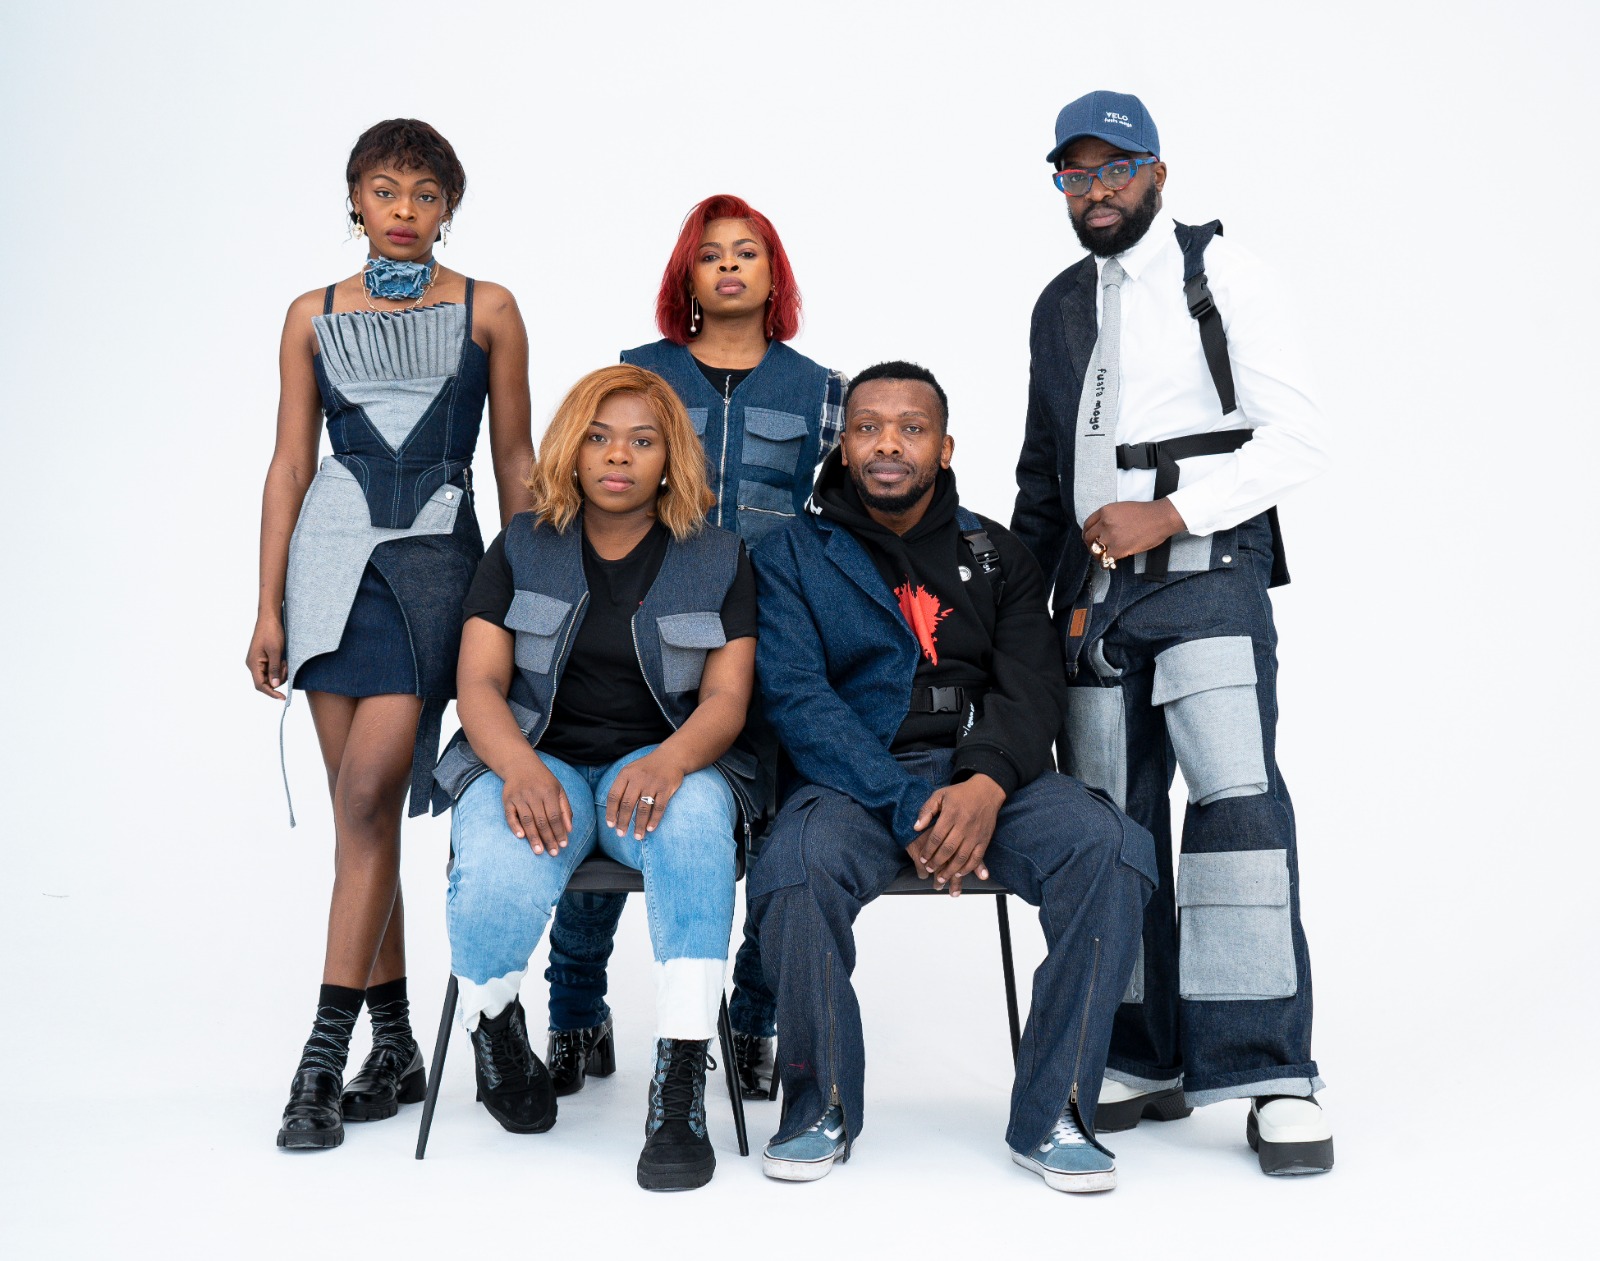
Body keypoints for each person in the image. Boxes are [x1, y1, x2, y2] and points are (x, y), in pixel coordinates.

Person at [1011, 90, 1334, 1176]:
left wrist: (1174, 511)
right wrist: (1027, 608)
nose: (1095, 190)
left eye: (1115, 168)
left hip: (1207, 576)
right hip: (1095, 595)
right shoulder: (1061, 302)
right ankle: (1141, 1053)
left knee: (1237, 809)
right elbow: (1044, 469)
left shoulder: (1222, 273)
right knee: (1113, 819)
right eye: (1075, 174)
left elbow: (1297, 438)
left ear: (1157, 171)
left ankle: (1269, 1069)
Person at [748, 361, 1155, 1193]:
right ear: (843, 444)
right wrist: (908, 803)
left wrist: (984, 786)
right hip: (854, 779)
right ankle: (818, 1106)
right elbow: (796, 697)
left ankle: (1056, 1110)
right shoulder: (790, 553)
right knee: (792, 865)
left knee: (1112, 847)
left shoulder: (997, 552)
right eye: (868, 427)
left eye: (911, 427)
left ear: (944, 446)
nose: (888, 444)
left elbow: (1032, 684)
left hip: (988, 779)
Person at [247, 119, 533, 1151]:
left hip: (436, 564)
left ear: (447, 207)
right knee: (359, 823)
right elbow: (290, 464)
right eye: (384, 189)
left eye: (424, 192)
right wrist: (268, 603)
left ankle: (319, 1060)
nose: (403, 208)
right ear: (355, 200)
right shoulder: (311, 315)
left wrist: (533, 597)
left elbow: (514, 460)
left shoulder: (490, 307)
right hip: (328, 569)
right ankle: (398, 1045)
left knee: (369, 794)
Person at [542, 195, 847, 1102]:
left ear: (773, 273)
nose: (728, 267)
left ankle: (752, 1021)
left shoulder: (822, 388)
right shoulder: (638, 372)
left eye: (746, 252)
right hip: (648, 633)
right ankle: (575, 1011)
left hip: (778, 633)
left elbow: (840, 519)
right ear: (686, 275)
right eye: (709, 254)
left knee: (778, 832)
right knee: (617, 796)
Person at [431, 364, 758, 1192]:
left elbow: (727, 698)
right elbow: (479, 683)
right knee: (496, 863)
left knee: (698, 828)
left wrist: (672, 759)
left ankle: (679, 1081)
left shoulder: (718, 555)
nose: (618, 456)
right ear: (571, 451)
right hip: (536, 757)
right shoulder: (521, 544)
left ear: (670, 456)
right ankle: (496, 1027)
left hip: (659, 768)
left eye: (642, 440)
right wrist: (515, 767)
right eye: (599, 438)